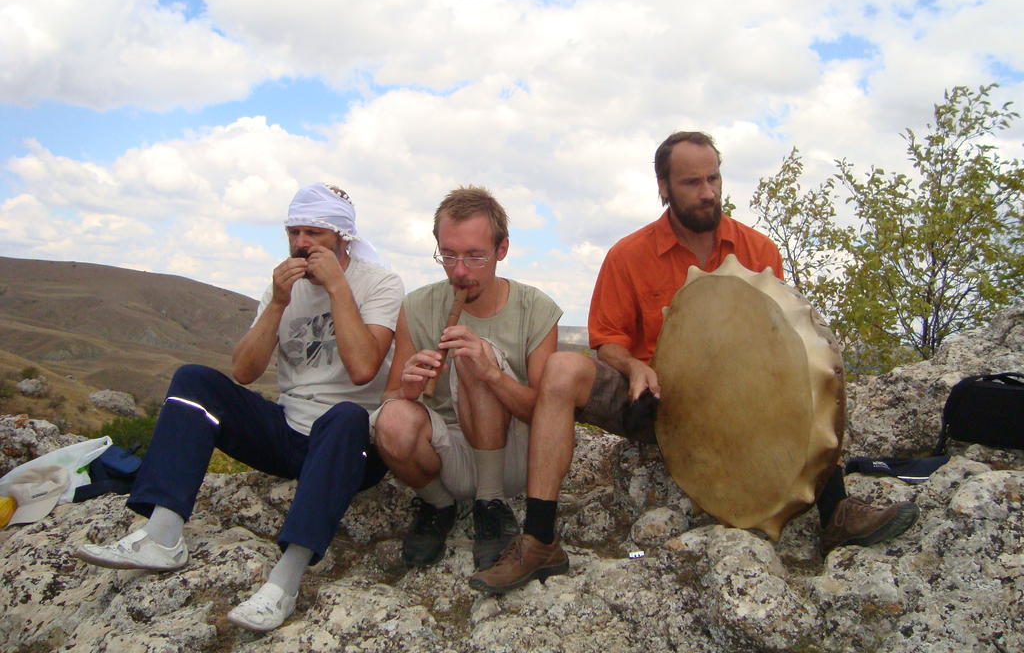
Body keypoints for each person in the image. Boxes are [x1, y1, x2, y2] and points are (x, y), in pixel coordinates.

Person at [469, 131, 919, 593]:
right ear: (664, 187)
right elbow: (607, 343)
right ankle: (539, 540)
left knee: (817, 370)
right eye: (691, 182)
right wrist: (634, 367)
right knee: (561, 369)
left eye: (713, 179)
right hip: (645, 398)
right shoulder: (628, 255)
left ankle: (835, 512)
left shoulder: (758, 252)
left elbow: (782, 350)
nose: (707, 192)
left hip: (730, 403)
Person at [76, 183, 404, 632]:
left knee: (347, 416)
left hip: (350, 447)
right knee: (194, 380)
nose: (301, 244)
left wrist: (337, 288)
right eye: (293, 232)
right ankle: (163, 534)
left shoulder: (380, 283)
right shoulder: (282, 289)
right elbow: (244, 371)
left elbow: (364, 368)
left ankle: (284, 582)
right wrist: (278, 302)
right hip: (289, 431)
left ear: (342, 238)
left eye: (314, 233)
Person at [372, 186, 561, 571]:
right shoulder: (416, 306)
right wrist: (407, 390)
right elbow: (390, 397)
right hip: (448, 458)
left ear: (501, 250)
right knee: (390, 418)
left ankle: (491, 504)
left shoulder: (537, 309)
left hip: (513, 458)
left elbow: (545, 416)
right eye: (449, 255)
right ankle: (438, 505)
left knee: (476, 353)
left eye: (475, 256)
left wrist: (491, 373)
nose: (459, 271)